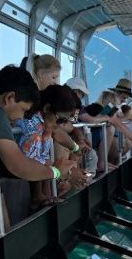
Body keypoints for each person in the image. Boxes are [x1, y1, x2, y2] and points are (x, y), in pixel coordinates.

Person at [0, 65, 78, 226]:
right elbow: (17, 164)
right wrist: (57, 172)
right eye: (24, 110)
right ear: (9, 97)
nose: (22, 118)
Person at [20, 54, 86, 208]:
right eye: (54, 77)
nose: (55, 82)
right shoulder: (34, 122)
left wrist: (76, 148)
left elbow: (55, 130)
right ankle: (41, 196)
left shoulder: (45, 117)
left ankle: (46, 194)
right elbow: (33, 158)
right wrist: (65, 173)